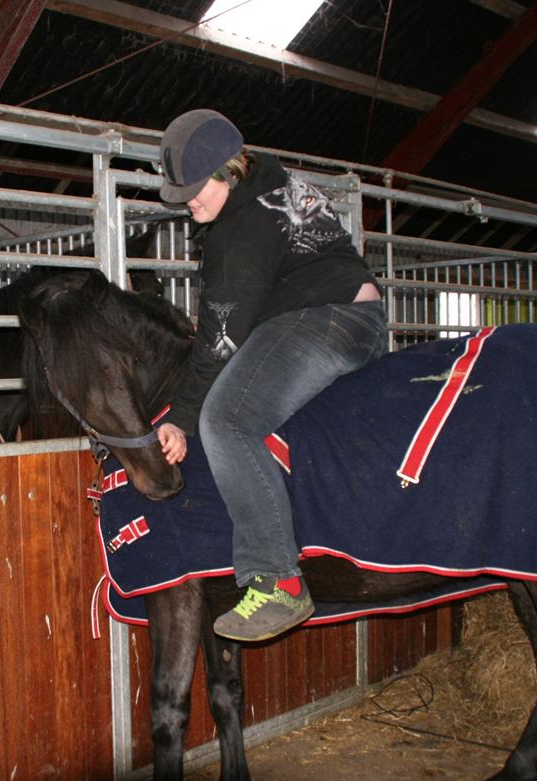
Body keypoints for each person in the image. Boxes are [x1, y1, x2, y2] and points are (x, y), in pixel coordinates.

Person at [155, 109, 388, 642]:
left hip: (328, 318)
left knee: (227, 422)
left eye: (196, 188)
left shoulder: (242, 227)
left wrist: (183, 417)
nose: (188, 200)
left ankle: (278, 581)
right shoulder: (272, 183)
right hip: (352, 316)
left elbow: (220, 336)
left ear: (228, 171)